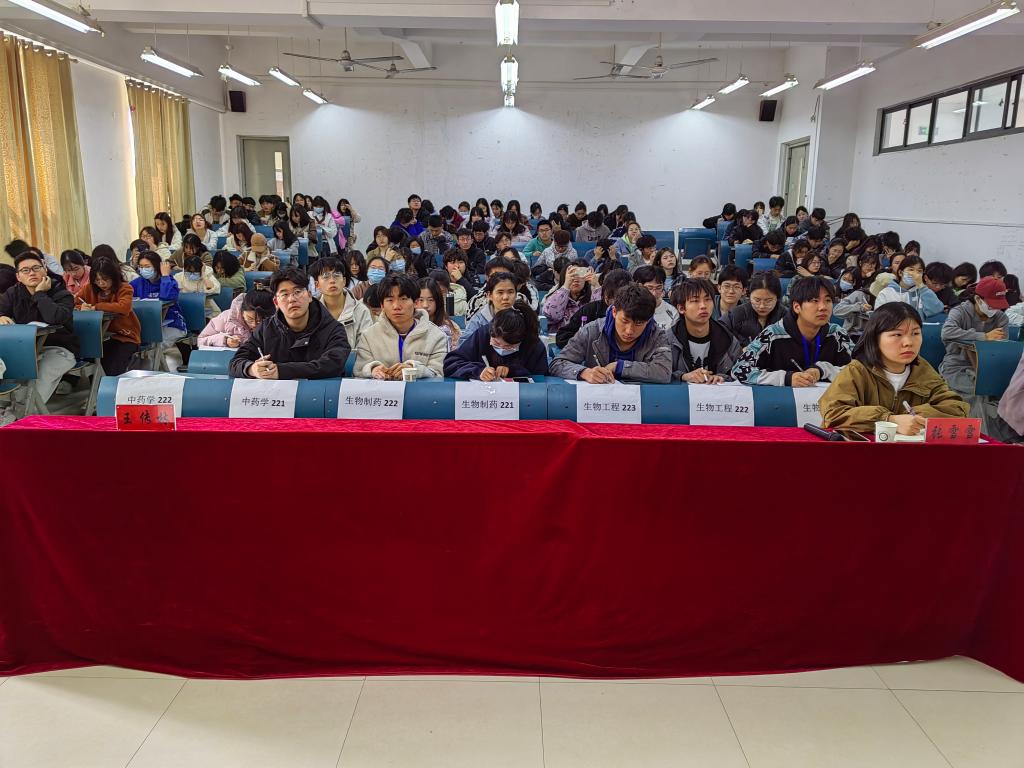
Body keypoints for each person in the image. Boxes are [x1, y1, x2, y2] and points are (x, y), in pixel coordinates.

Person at [819, 302, 968, 434]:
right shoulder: (857, 371)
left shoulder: (922, 370)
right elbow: (833, 413)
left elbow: (956, 408)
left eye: (915, 333)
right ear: (875, 338)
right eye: (897, 334)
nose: (908, 342)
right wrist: (889, 420)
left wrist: (914, 416)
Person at [732, 276, 853, 387]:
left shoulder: (837, 333)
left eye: (828, 300)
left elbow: (861, 370)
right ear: (796, 307)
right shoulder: (772, 334)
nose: (823, 307)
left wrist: (824, 370)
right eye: (815, 301)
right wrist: (785, 378)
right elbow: (738, 369)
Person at [230, 267, 350, 379]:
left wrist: (281, 371)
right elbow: (235, 363)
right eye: (284, 294)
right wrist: (252, 369)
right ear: (276, 302)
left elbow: (333, 364)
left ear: (309, 296)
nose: (292, 299)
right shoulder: (265, 329)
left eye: (297, 292)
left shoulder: (333, 329)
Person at [549, 282, 671, 384]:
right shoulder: (592, 331)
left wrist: (620, 367)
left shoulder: (657, 336)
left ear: (648, 320)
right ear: (614, 312)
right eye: (624, 321)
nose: (629, 330)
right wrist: (584, 372)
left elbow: (664, 372)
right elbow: (557, 364)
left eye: (639, 323)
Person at [0, 250, 79, 404]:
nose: (32, 273)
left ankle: (24, 414)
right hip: (27, 349)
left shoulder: (61, 293)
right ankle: (9, 411)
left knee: (42, 373)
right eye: (25, 270)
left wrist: (40, 294)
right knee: (10, 372)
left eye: (36, 268)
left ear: (45, 269)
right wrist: (1, 315)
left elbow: (56, 318)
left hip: (59, 349)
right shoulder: (13, 293)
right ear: (18, 277)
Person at [940, 277, 1011, 432]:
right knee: (979, 393)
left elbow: (1003, 347)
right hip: (957, 368)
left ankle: (1007, 437)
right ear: (978, 299)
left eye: (998, 306)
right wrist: (983, 337)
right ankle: (981, 437)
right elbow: (947, 332)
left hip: (989, 370)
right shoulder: (960, 312)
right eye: (991, 305)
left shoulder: (1001, 318)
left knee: (1009, 392)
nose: (995, 309)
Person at [355, 273, 447, 379]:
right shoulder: (368, 336)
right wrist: (372, 370)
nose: (396, 306)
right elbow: (358, 371)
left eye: (403, 299)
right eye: (390, 300)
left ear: (415, 302)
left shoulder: (436, 336)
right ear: (382, 305)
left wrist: (415, 370)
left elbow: (440, 374)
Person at [72, 257, 141, 376]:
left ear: (114, 276)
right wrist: (80, 308)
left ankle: (111, 386)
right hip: (99, 337)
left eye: (105, 279)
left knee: (112, 365)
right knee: (86, 357)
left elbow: (124, 307)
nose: (101, 283)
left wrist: (96, 307)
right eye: (97, 280)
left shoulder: (124, 288)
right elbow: (72, 303)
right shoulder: (89, 288)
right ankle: (94, 385)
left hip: (124, 337)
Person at [444, 302, 548, 380]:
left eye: (508, 347)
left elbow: (541, 378)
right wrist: (478, 371)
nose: (501, 349)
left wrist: (513, 371)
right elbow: (451, 363)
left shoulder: (533, 345)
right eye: (496, 343)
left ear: (522, 340)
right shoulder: (483, 335)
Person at [668, 278, 742, 384]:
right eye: (695, 301)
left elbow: (739, 373)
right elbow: (660, 374)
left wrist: (722, 378)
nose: (703, 306)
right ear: (681, 308)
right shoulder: (668, 340)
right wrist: (683, 376)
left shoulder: (728, 339)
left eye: (708, 299)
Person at [129, 251, 185, 370]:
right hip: (147, 326)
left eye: (147, 266)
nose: (143, 270)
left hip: (171, 324)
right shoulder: (137, 283)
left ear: (157, 266)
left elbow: (166, 297)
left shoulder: (170, 281)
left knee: (153, 347)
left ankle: (152, 375)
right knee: (137, 346)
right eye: (141, 267)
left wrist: (165, 276)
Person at [555, 269, 632, 348]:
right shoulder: (590, 310)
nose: (615, 303)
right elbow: (562, 337)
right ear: (604, 292)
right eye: (611, 297)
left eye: (620, 298)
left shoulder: (635, 312)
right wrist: (586, 342)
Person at [721, 271, 785, 347]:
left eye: (768, 301)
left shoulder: (787, 317)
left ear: (777, 298)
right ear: (749, 296)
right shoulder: (734, 316)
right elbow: (718, 338)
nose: (762, 306)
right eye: (757, 300)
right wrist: (738, 350)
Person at [874, 254, 945, 321]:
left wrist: (921, 286)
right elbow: (879, 318)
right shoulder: (886, 293)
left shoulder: (924, 292)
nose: (915, 274)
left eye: (919, 271)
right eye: (911, 270)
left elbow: (936, 310)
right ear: (900, 273)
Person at [460, 270, 523, 343]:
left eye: (510, 292)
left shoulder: (523, 317)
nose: (505, 297)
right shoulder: (478, 322)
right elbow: (463, 345)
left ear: (516, 294)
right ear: (489, 295)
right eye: (500, 292)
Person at [198, 290, 274, 349]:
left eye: (259, 321)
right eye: (249, 319)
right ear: (242, 311)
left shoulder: (276, 322)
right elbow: (200, 340)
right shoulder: (227, 318)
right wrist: (225, 340)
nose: (254, 324)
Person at [544, 259, 601, 334]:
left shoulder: (592, 296)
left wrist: (596, 286)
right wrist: (566, 286)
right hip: (560, 339)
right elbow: (552, 316)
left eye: (580, 275)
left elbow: (600, 318)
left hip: (586, 339)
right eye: (572, 275)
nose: (576, 279)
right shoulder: (554, 295)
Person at [466, 255, 518, 320]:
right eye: (495, 275)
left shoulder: (521, 298)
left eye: (505, 275)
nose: (500, 280)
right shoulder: (476, 301)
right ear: (487, 277)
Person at [417, 276, 461, 350]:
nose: (425, 305)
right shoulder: (407, 326)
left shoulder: (451, 327)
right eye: (421, 300)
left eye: (430, 300)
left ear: (438, 301)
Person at [633, 265, 678, 330]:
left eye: (658, 288)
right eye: (649, 288)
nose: (654, 293)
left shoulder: (672, 312)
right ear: (640, 286)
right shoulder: (632, 309)